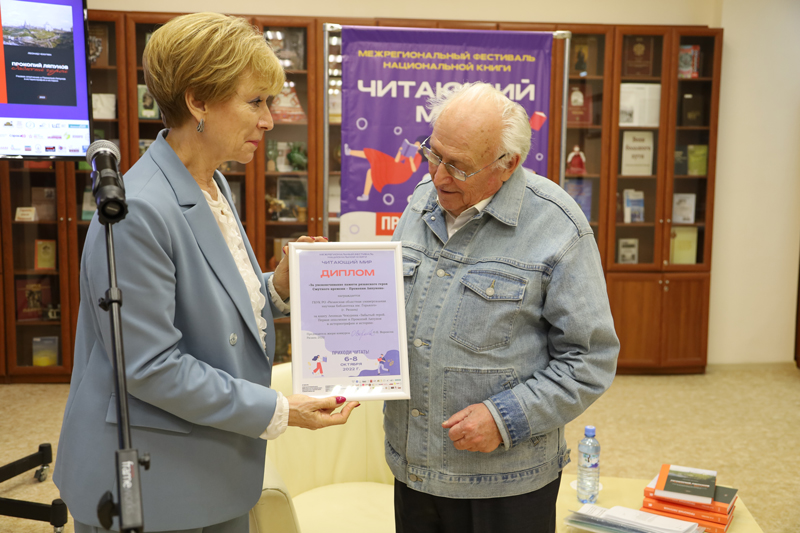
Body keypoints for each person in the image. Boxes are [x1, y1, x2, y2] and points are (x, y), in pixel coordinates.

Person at [53, 13, 358, 533]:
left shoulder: (209, 183)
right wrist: (280, 410)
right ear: (197, 101)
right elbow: (151, 366)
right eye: (255, 101)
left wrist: (278, 286)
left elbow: (211, 306)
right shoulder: (139, 209)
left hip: (211, 464)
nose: (270, 120)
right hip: (159, 482)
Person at [386, 82, 619, 533]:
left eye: (458, 166)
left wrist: (504, 418)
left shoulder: (558, 226)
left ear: (507, 163)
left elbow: (590, 360)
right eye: (433, 154)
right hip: (413, 467)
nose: (439, 177)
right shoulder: (421, 199)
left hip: (504, 483)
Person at [343, 136, 425, 201]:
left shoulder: (418, 156)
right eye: (415, 143)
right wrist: (399, 152)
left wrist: (411, 159)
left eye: (417, 144)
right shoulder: (408, 152)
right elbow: (396, 160)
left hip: (402, 174)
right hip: (397, 167)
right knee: (374, 159)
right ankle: (350, 152)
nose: (415, 145)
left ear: (420, 147)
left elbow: (414, 170)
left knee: (373, 166)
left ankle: (365, 195)